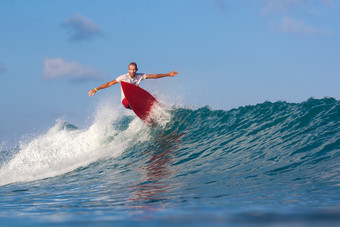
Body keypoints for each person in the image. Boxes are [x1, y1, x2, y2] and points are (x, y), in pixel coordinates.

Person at [88, 62, 178, 109]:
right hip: (126, 101)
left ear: (137, 69)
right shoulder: (123, 77)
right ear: (128, 69)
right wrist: (96, 89)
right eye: (131, 70)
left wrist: (168, 74)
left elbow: (154, 76)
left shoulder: (140, 76)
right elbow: (109, 84)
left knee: (153, 96)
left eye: (134, 70)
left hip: (136, 101)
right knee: (136, 89)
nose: (133, 71)